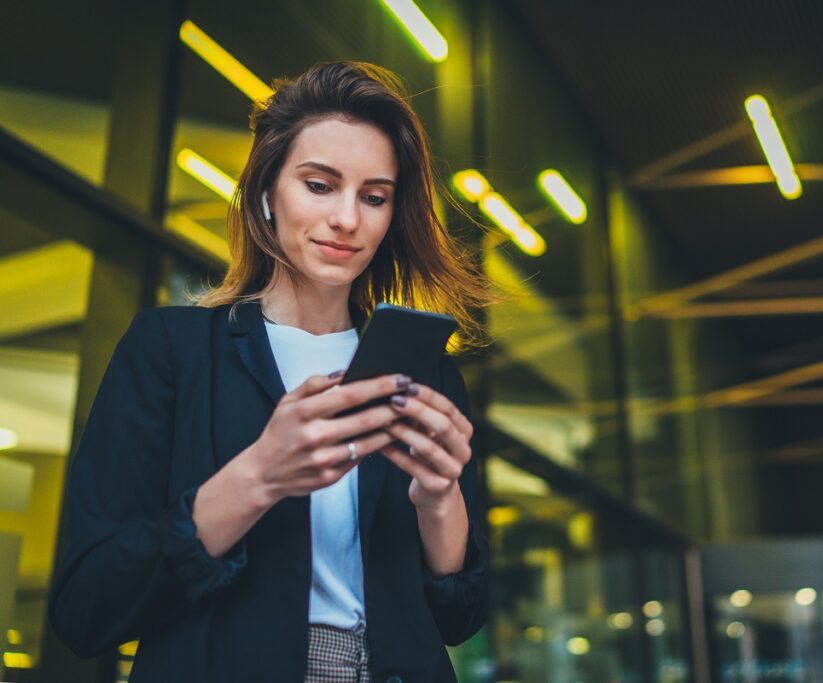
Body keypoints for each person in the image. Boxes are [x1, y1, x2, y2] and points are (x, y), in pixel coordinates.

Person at [49, 61, 492, 683]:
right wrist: (258, 476)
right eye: (318, 185)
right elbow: (86, 607)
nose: (347, 219)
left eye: (374, 197)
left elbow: (459, 618)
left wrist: (439, 499)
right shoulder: (170, 351)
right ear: (265, 193)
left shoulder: (425, 378)